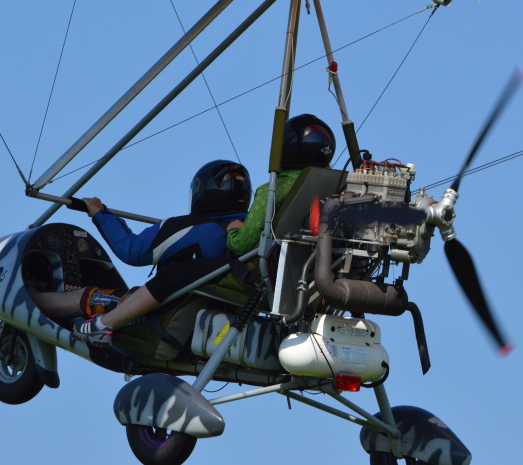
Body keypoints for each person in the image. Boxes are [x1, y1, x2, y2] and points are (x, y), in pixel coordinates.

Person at [33, 160, 252, 347]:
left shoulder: (195, 228)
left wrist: (99, 213)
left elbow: (130, 250)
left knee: (85, 296)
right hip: (221, 329)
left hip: (160, 320)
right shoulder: (252, 236)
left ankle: (28, 301)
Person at [226, 114, 336, 256]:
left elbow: (239, 245)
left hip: (273, 263)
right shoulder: (337, 182)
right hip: (323, 258)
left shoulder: (272, 191)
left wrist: (234, 230)